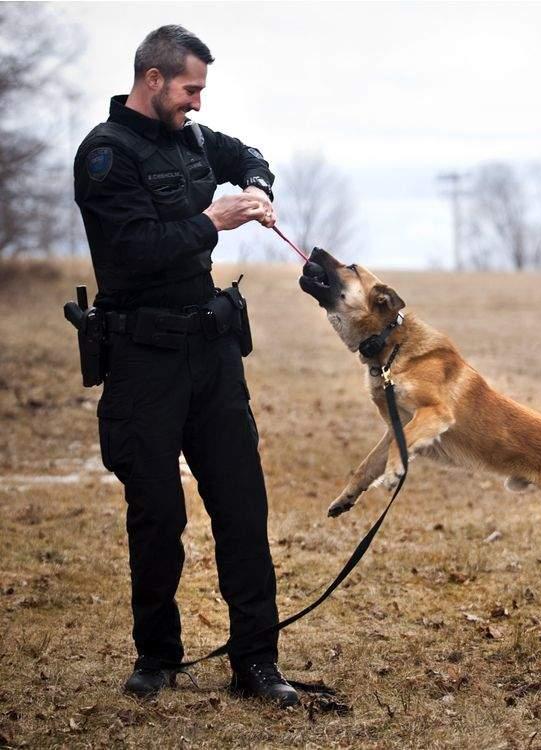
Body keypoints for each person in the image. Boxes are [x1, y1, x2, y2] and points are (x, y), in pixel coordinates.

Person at [73, 25, 298, 707]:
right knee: (156, 514)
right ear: (153, 80)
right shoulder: (105, 155)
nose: (198, 101)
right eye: (189, 88)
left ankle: (257, 663)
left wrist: (255, 186)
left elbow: (249, 154)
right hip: (142, 358)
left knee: (242, 507)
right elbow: (134, 247)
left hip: (213, 351)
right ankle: (157, 656)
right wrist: (214, 221)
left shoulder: (194, 139)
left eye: (201, 90)